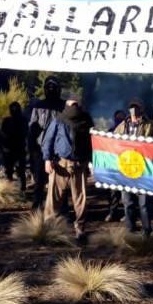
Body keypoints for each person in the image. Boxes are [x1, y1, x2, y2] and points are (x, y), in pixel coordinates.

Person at [42, 94, 93, 240]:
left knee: (80, 200)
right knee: (54, 198)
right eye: (71, 105)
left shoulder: (86, 120)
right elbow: (48, 141)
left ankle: (80, 229)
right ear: (67, 105)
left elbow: (91, 142)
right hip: (60, 164)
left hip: (79, 165)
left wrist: (90, 161)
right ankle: (49, 229)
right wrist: (47, 159)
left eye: (75, 105)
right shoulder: (58, 119)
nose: (73, 108)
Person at [113, 100, 153, 236]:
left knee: (144, 204)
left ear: (141, 109)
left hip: (143, 170)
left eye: (136, 107)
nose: (134, 110)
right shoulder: (122, 126)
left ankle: (146, 231)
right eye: (131, 107)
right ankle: (130, 229)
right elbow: (113, 141)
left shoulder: (150, 125)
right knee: (127, 202)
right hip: (126, 169)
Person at [28, 76, 65, 209]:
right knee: (39, 182)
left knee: (61, 183)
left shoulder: (63, 106)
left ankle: (61, 209)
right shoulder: (38, 106)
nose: (50, 89)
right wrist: (31, 147)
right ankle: (37, 208)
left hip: (59, 150)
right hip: (40, 149)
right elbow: (32, 126)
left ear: (58, 89)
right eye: (48, 87)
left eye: (53, 87)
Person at [104, 109, 127, 221]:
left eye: (122, 118)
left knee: (126, 193)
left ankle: (127, 214)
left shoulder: (129, 132)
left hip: (126, 167)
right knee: (113, 193)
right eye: (118, 118)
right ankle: (112, 213)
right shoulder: (110, 132)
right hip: (113, 167)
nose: (119, 120)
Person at [1, 101, 27, 190]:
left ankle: (14, 189)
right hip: (15, 148)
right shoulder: (23, 120)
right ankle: (19, 189)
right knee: (17, 170)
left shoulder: (7, 120)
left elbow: (2, 135)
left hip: (13, 149)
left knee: (12, 170)